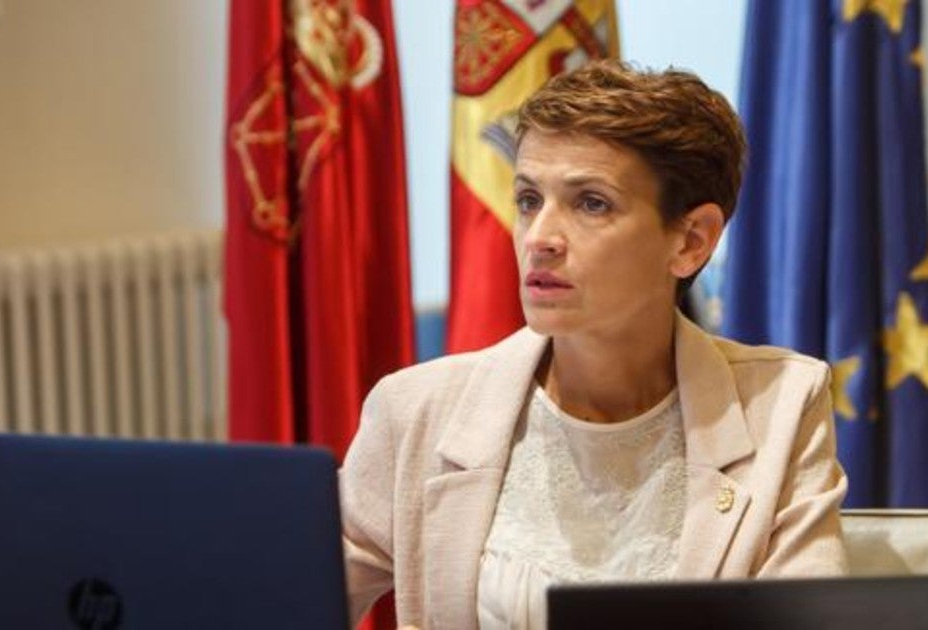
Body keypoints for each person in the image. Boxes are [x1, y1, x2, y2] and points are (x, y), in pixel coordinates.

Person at [339, 60, 848, 630]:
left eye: (591, 203)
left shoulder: (782, 407)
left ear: (691, 240)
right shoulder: (417, 411)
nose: (539, 239)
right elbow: (281, 600)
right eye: (529, 200)